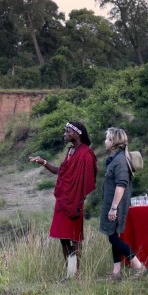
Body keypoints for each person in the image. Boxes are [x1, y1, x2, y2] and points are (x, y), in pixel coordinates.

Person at [29, 120, 96, 280]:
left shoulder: (86, 154)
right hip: (63, 200)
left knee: (75, 238)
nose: (64, 134)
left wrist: (80, 202)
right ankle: (69, 273)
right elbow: (61, 171)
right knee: (63, 238)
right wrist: (43, 162)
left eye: (67, 131)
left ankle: (75, 275)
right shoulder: (70, 151)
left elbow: (87, 180)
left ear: (77, 134)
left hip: (75, 202)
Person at [100, 127, 148, 280]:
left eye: (108, 139)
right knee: (113, 235)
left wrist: (114, 207)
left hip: (116, 205)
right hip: (111, 204)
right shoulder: (117, 159)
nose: (105, 141)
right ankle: (116, 272)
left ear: (114, 142)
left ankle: (138, 266)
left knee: (113, 238)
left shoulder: (120, 161)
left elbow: (121, 185)